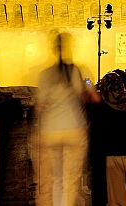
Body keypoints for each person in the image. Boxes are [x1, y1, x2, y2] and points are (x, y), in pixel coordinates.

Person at [35, 31, 95, 206]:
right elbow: (89, 96)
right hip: (73, 129)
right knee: (71, 180)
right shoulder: (76, 70)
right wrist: (88, 81)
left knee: (55, 177)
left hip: (50, 130)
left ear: (53, 49)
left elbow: (39, 106)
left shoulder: (45, 74)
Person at [90, 70, 126, 206]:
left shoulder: (102, 103)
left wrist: (95, 87)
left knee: (115, 185)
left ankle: (119, 203)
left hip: (110, 149)